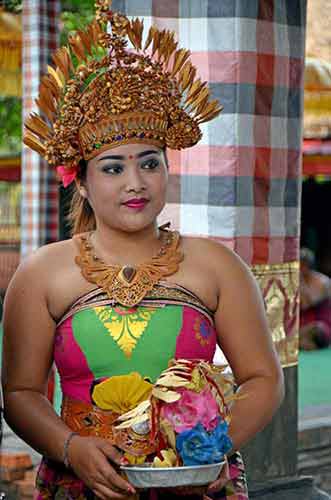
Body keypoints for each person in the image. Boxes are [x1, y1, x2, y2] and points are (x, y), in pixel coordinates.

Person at [1, 1, 284, 499]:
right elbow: (20, 393)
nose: (135, 183)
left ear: (167, 169)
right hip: (80, 485)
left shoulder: (218, 266)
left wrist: (209, 450)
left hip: (201, 485)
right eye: (113, 168)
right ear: (82, 182)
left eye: (149, 164)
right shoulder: (41, 275)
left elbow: (263, 378)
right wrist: (71, 448)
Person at [299, 247, 331, 350]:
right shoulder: (294, 280)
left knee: (317, 328)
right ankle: (302, 342)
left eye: (303, 264)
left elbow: (306, 303)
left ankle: (301, 341)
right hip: (301, 324)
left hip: (320, 324)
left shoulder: (323, 282)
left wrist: (301, 282)